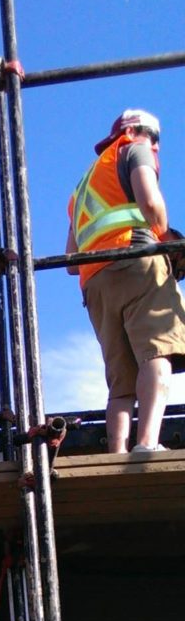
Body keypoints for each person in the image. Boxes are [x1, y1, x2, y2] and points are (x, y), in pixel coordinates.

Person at [66, 108, 185, 455]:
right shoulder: (135, 148)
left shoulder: (83, 185)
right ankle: (147, 442)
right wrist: (167, 238)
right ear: (140, 132)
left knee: (120, 382)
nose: (157, 149)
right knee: (156, 355)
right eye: (157, 140)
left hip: (95, 281)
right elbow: (150, 201)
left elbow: (70, 261)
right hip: (137, 262)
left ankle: (117, 454)